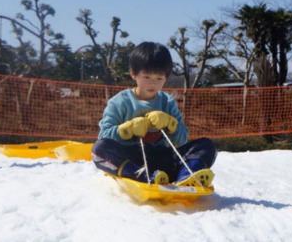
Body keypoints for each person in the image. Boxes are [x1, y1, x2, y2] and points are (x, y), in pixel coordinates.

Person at [92, 42, 217, 186]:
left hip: (163, 159)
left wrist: (171, 123)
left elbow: (182, 139)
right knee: (99, 149)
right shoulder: (120, 102)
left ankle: (187, 176)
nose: (153, 84)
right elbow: (104, 136)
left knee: (206, 145)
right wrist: (127, 129)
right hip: (133, 161)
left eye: (159, 78)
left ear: (166, 77)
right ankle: (143, 177)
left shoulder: (167, 102)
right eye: (146, 77)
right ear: (134, 74)